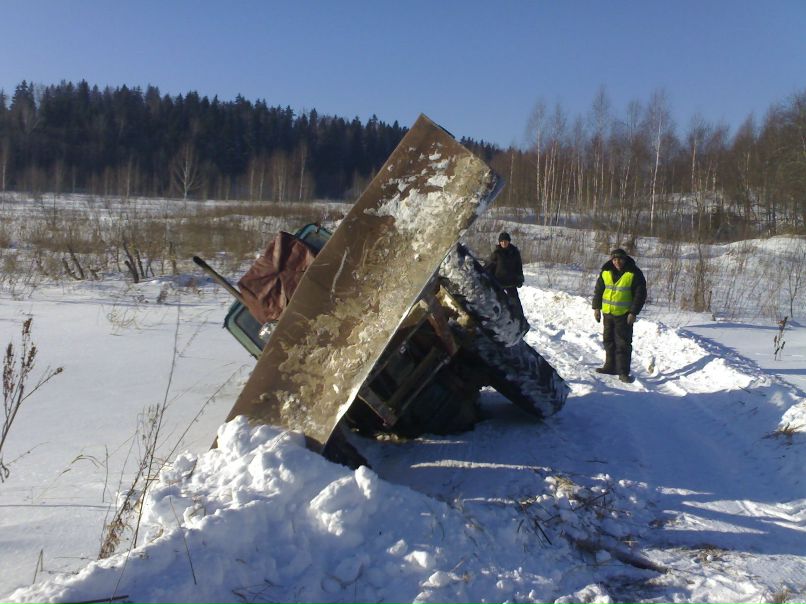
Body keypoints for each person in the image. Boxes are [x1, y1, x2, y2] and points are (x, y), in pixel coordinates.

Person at [592, 248, 647, 383]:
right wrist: (596, 308)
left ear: (625, 259)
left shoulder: (634, 273)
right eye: (615, 259)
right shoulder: (605, 271)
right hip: (608, 313)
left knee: (623, 344)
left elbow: (640, 295)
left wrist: (633, 312)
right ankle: (610, 366)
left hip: (624, 315)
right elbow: (599, 290)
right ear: (611, 259)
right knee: (608, 341)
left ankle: (623, 372)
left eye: (620, 259)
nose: (617, 262)